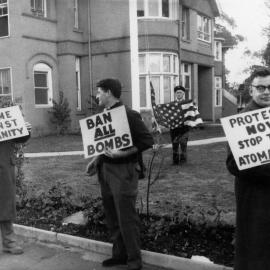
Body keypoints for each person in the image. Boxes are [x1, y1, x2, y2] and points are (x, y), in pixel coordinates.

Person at [86, 78, 154, 270]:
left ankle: (134, 260)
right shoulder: (103, 115)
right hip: (105, 171)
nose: (97, 95)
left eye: (99, 92)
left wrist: (122, 153)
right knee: (112, 215)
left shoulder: (130, 115)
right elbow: (104, 144)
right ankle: (119, 255)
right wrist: (96, 160)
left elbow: (147, 141)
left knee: (126, 216)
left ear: (108, 92)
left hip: (124, 171)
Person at [226, 67, 270, 269]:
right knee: (253, 247)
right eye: (260, 87)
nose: (266, 91)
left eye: (269, 87)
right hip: (254, 196)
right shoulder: (243, 119)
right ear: (251, 90)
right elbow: (233, 164)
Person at [0, 103, 31, 255]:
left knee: (6, 203)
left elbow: (20, 138)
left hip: (4, 165)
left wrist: (26, 130)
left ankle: (9, 242)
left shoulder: (6, 114)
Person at [170, 85, 189, 165]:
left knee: (183, 144)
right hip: (174, 128)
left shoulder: (188, 104)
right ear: (175, 94)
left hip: (184, 128)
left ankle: (183, 160)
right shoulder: (171, 104)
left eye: (180, 93)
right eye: (177, 93)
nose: (178, 94)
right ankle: (175, 161)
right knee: (175, 145)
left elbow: (191, 114)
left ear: (183, 93)